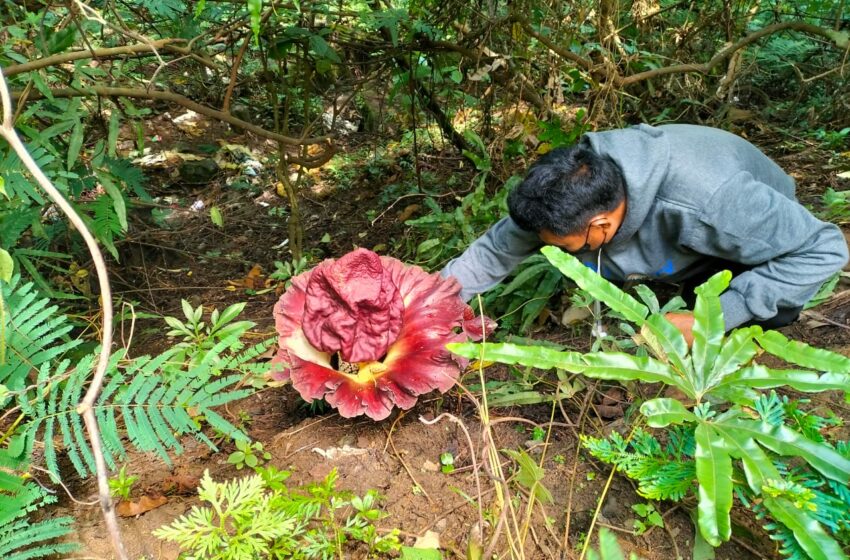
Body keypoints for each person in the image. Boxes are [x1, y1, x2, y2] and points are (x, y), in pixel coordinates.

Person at [440, 123, 849, 343]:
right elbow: (495, 250)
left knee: (753, 309)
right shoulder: (565, 193)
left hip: (750, 234)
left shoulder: (715, 203)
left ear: (601, 224)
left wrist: (713, 318)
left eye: (561, 247)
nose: (547, 249)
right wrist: (431, 307)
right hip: (681, 237)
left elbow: (823, 249)